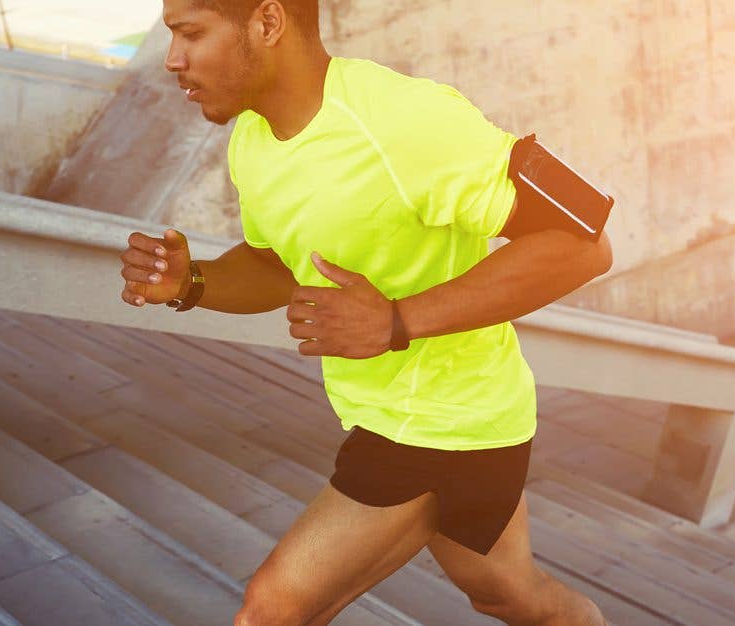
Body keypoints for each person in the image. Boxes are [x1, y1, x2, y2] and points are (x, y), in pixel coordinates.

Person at [120, 1, 613, 624]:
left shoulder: (404, 120)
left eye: (191, 33)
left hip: (439, 422)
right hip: (426, 413)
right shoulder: (252, 138)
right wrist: (191, 282)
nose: (173, 59)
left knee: (272, 610)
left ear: (267, 23)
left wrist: (397, 319)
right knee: (505, 592)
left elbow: (585, 242)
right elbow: (282, 263)